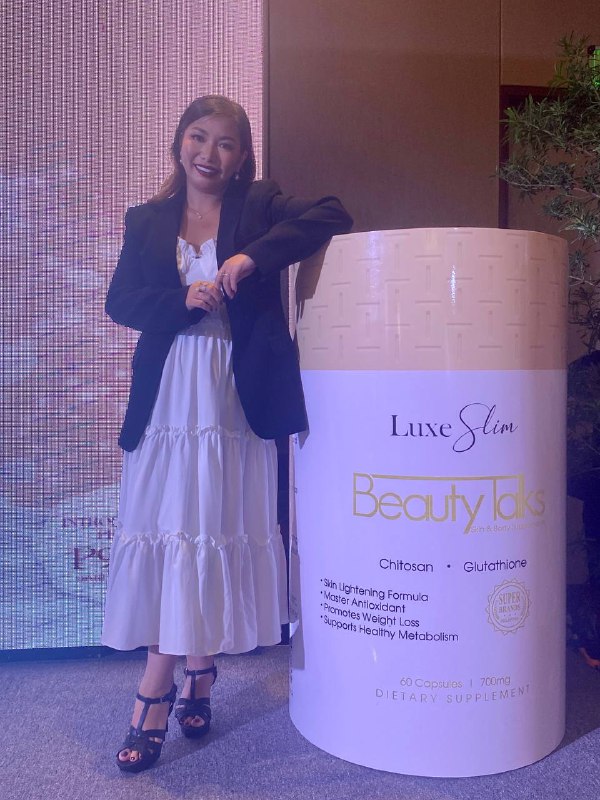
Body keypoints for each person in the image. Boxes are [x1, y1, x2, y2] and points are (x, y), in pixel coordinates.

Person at [101, 94, 352, 773]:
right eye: (198, 136)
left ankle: (163, 688)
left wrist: (250, 259)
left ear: (242, 157)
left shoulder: (260, 205)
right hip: (169, 397)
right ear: (179, 142)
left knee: (209, 524)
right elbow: (121, 301)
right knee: (173, 529)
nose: (209, 153)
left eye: (226, 142)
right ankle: (190, 672)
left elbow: (333, 213)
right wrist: (181, 299)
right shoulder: (147, 219)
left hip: (234, 396)